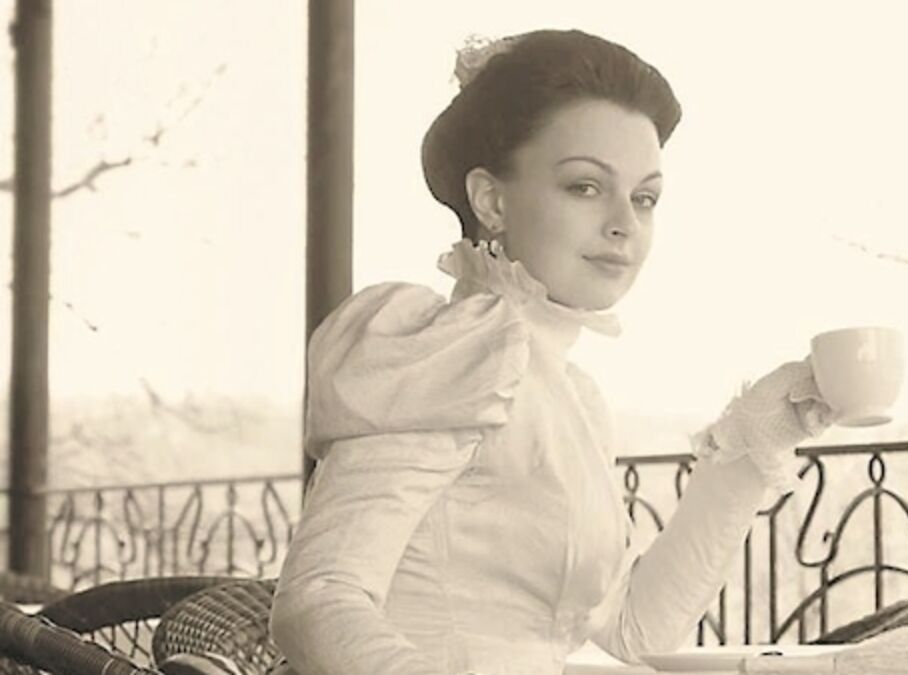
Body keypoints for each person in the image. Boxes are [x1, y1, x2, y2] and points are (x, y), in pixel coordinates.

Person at [268, 28, 834, 675]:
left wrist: (757, 438)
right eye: (585, 187)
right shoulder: (447, 353)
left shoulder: (572, 395)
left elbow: (634, 627)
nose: (624, 223)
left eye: (644, 198)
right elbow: (319, 598)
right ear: (491, 200)